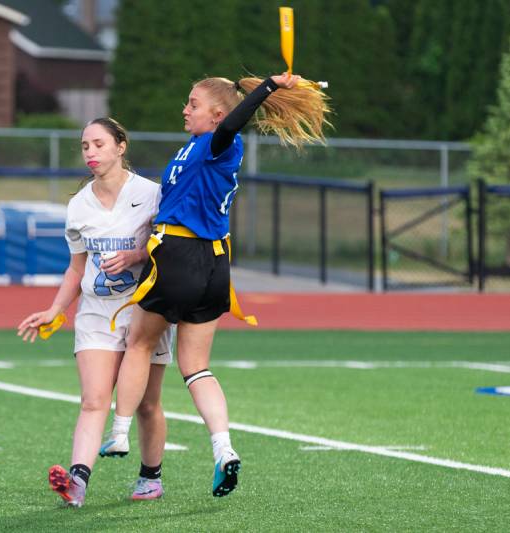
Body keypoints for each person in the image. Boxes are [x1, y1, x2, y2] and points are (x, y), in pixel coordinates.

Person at [101, 72, 314, 497]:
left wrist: (267, 88)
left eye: (193, 104)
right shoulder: (195, 148)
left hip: (180, 257)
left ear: (218, 115)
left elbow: (235, 124)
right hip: (215, 264)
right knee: (196, 366)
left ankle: (120, 431)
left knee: (139, 343)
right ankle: (224, 448)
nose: (185, 109)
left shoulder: (221, 141)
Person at [17, 117, 174, 508]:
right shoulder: (78, 205)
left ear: (121, 146)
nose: (90, 152)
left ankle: (150, 477)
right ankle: (77, 482)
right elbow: (76, 268)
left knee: (147, 403)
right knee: (93, 399)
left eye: (99, 144)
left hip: (145, 311)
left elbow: (168, 250)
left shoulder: (152, 194)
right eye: (85, 146)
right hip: (96, 311)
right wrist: (55, 310)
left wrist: (136, 254)